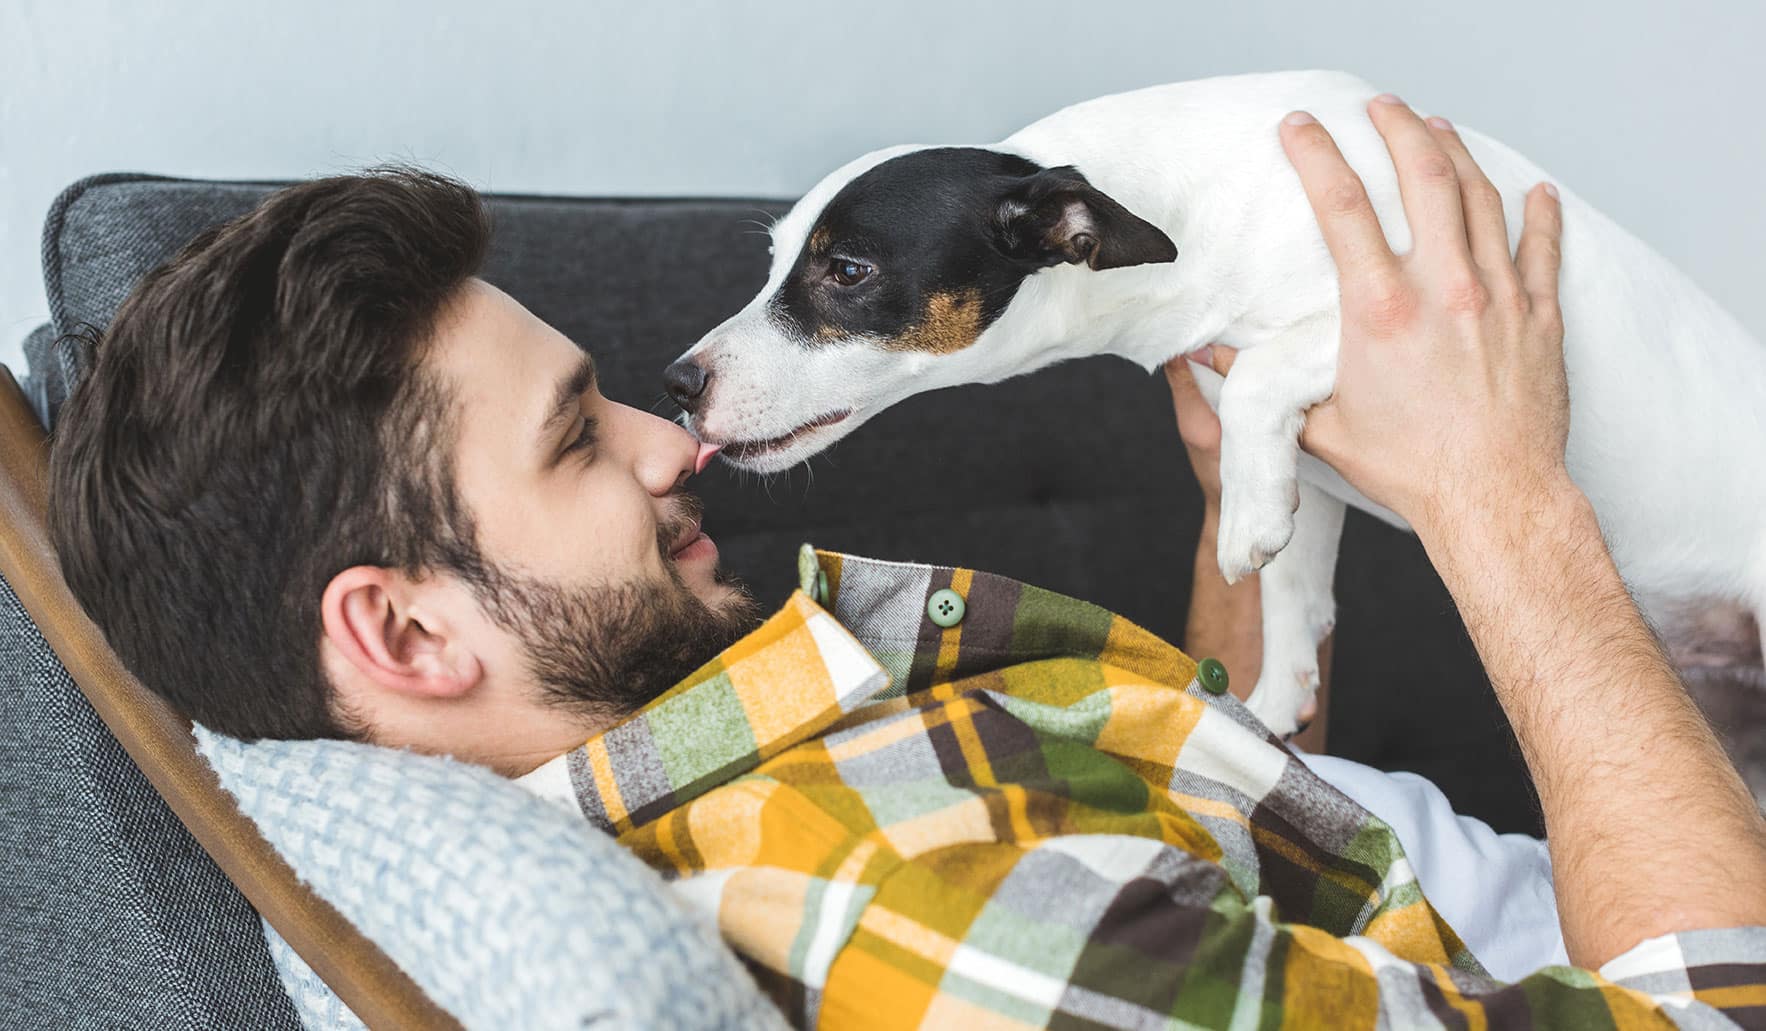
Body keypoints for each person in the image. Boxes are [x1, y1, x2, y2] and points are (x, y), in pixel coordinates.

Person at [48, 96, 1766, 1027]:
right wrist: (1497, 496)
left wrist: (1249, 546)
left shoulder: (765, 698)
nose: (670, 440)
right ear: (406, 637)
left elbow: (1243, 821)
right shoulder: (894, 899)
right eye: (578, 438)